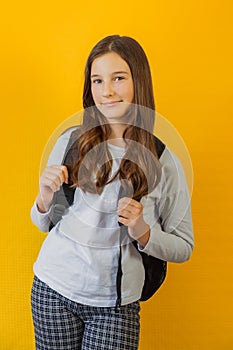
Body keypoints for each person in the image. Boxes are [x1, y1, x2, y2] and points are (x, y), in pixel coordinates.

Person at [30, 35, 194, 350]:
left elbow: (184, 247)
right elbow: (43, 223)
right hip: (52, 287)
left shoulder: (163, 161)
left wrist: (143, 231)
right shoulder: (70, 142)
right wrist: (44, 199)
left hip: (115, 306)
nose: (106, 91)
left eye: (118, 78)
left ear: (139, 81)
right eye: (97, 80)